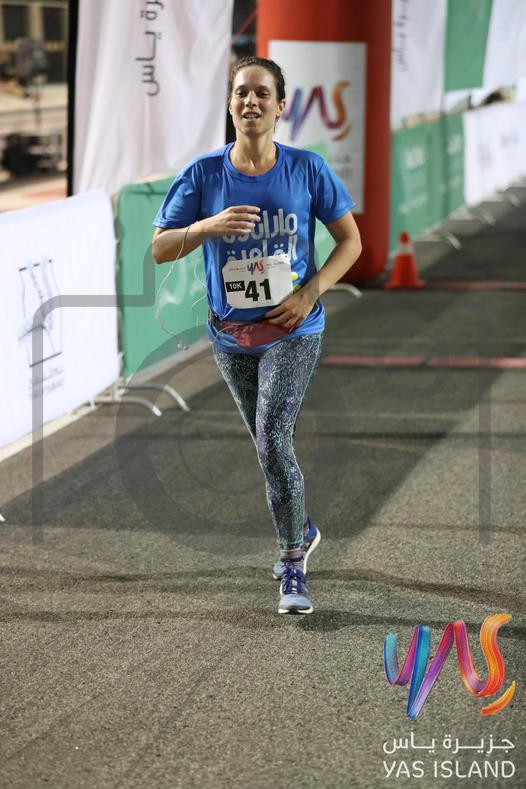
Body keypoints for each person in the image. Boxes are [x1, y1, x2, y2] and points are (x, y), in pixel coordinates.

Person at [152, 56, 361, 615]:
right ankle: (302, 527)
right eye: (241, 92)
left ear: (280, 106)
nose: (251, 101)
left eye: (262, 93)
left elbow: (351, 242)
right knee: (268, 449)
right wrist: (207, 226)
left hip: (294, 328)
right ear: (230, 104)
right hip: (230, 337)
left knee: (272, 439)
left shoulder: (307, 168)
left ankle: (292, 563)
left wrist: (310, 293)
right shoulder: (203, 175)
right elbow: (160, 248)